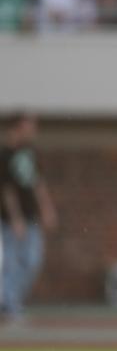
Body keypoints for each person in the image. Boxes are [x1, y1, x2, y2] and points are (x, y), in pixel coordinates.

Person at [1, 113, 57, 323]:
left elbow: (37, 183)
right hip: (11, 220)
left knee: (32, 260)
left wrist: (47, 208)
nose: (32, 132)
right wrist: (15, 218)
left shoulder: (29, 153)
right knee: (11, 262)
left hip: (31, 217)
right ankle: (8, 304)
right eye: (28, 127)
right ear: (16, 128)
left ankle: (11, 301)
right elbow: (6, 190)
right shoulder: (5, 155)